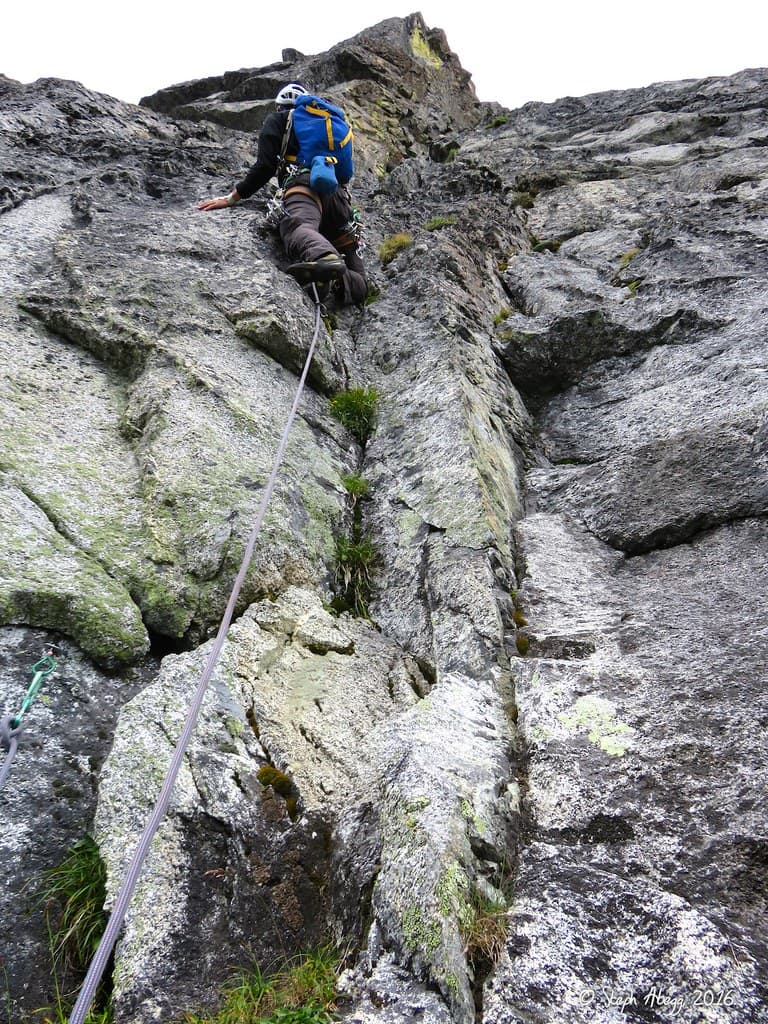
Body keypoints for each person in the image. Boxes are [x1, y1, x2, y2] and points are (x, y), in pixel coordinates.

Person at [198, 83, 367, 305]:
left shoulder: (279, 120)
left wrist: (232, 198)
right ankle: (341, 282)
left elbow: (265, 166)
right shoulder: (328, 125)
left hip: (304, 188)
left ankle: (325, 258)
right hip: (339, 198)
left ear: (280, 107)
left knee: (297, 226)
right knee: (361, 278)